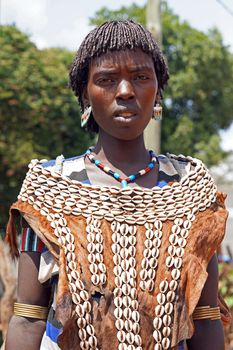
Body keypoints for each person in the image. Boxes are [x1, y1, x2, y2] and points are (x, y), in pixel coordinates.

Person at [5, 20, 229, 350]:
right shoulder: (49, 191)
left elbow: (206, 317)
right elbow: (28, 318)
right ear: (85, 91)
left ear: (157, 89)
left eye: (140, 77)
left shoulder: (190, 190)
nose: (125, 91)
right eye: (107, 80)